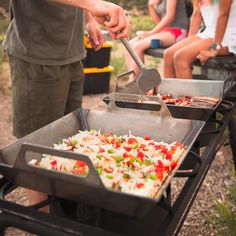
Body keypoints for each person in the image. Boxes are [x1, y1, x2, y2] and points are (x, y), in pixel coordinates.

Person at [2, 0, 129, 210]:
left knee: (67, 141)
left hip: (71, 50)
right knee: (37, 150)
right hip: (38, 54)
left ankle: (61, 218)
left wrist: (88, 19)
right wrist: (90, 5)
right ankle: (41, 223)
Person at [163, 0, 236, 79]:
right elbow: (196, 16)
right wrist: (189, 42)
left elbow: (223, 15)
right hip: (209, 33)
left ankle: (186, 91)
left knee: (181, 57)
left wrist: (214, 49)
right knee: (168, 54)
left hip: (228, 35)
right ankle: (170, 91)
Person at [125, 0, 189, 81]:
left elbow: (170, 17)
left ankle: (134, 83)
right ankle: (135, 81)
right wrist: (151, 5)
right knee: (130, 44)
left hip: (178, 31)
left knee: (138, 46)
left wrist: (151, 33)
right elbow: (159, 21)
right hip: (166, 31)